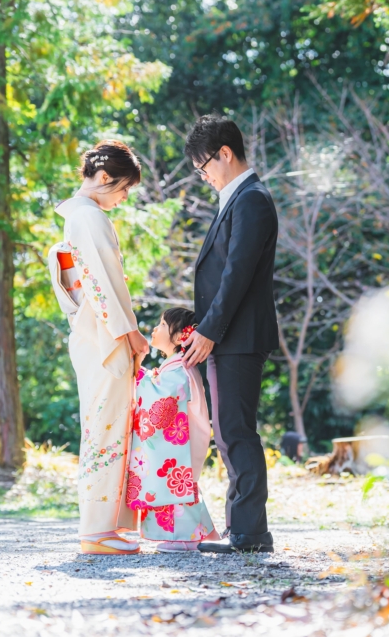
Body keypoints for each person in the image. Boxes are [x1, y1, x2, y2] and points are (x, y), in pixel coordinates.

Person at [179, 114, 279, 554]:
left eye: (204, 167)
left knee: (236, 431)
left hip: (237, 336)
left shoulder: (252, 199)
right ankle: (243, 529)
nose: (204, 177)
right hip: (227, 335)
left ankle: (250, 533)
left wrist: (210, 331)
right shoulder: (235, 199)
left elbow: (236, 274)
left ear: (225, 153)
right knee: (229, 431)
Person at [49, 140, 149, 555]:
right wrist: (132, 333)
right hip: (104, 336)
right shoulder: (89, 219)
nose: (125, 197)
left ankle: (107, 524)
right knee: (105, 428)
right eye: (123, 188)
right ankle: (95, 530)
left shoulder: (82, 218)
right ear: (104, 177)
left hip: (94, 333)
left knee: (108, 425)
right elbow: (106, 285)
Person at [126, 307, 221, 551]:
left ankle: (182, 538)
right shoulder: (177, 367)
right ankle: (203, 532)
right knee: (181, 483)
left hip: (182, 442)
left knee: (172, 480)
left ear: (179, 337)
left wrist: (137, 374)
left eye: (161, 324)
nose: (155, 329)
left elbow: (160, 407)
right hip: (187, 440)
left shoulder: (179, 369)